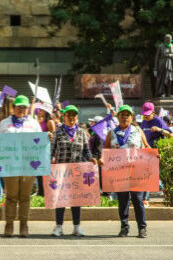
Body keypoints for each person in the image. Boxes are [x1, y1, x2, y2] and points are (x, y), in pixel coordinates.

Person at [0, 95, 45, 237]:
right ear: (13, 108)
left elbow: (40, 144)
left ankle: (24, 225)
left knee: (25, 196)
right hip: (10, 166)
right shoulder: (4, 124)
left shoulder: (34, 124)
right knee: (11, 196)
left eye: (24, 107)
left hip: (28, 166)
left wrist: (46, 139)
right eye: (18, 107)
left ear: (27, 108)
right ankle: (9, 225)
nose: (21, 109)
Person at [104, 105, 152, 238]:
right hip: (119, 174)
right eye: (122, 115)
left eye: (127, 115)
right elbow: (106, 151)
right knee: (123, 201)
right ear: (117, 117)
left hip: (137, 173)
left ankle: (142, 228)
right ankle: (124, 227)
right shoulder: (111, 133)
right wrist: (102, 159)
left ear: (131, 117)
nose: (125, 117)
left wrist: (154, 154)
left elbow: (147, 147)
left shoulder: (138, 130)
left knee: (138, 200)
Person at [50, 105, 97, 237]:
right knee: (61, 199)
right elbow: (51, 151)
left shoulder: (82, 133)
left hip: (77, 171)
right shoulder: (57, 133)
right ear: (63, 116)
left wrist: (91, 158)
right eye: (68, 115)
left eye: (74, 115)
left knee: (76, 199)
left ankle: (77, 227)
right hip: (61, 171)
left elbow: (86, 150)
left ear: (77, 117)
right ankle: (58, 226)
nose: (71, 117)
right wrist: (48, 164)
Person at [140, 102, 172, 207]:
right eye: (144, 114)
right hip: (146, 153)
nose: (146, 116)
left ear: (153, 112)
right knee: (146, 176)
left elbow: (170, 135)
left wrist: (159, 130)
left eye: (148, 114)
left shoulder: (158, 121)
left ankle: (168, 195)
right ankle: (145, 199)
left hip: (158, 153)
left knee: (160, 175)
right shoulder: (143, 122)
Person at [36, 104, 56, 196]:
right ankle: (40, 191)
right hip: (39, 150)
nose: (39, 111)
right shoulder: (41, 120)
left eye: (41, 109)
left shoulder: (50, 122)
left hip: (47, 151)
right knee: (39, 171)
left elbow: (53, 138)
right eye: (39, 109)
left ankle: (45, 192)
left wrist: (53, 154)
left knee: (46, 172)